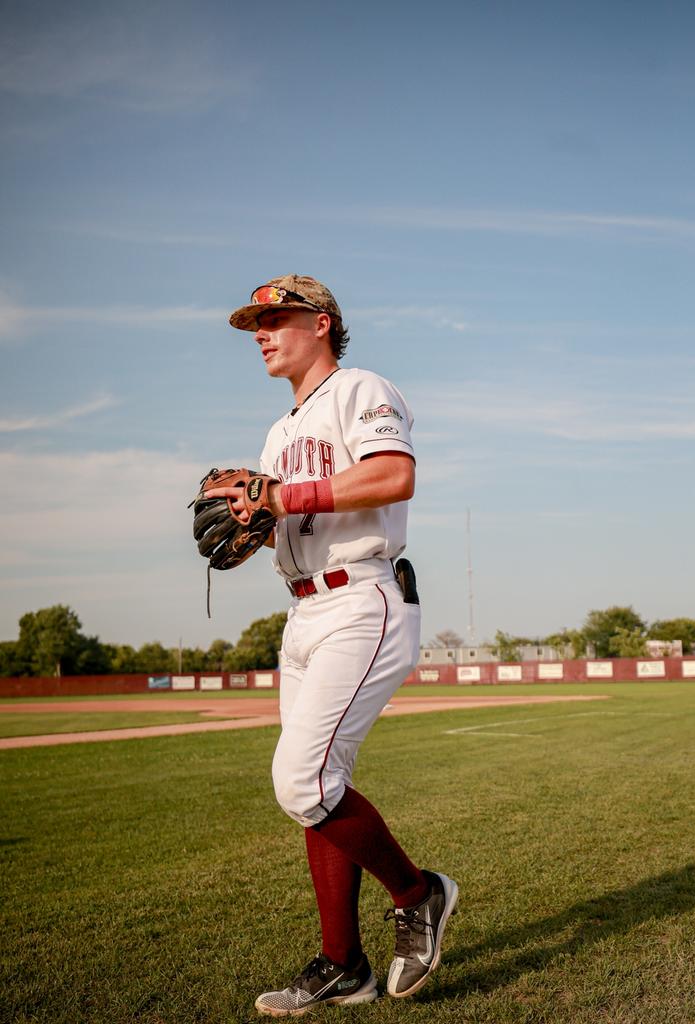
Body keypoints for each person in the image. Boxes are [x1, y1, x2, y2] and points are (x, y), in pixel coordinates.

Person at [208, 275, 458, 1016]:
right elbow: (287, 513)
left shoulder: (359, 389)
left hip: (361, 598)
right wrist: (252, 527)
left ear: (320, 323)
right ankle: (344, 964)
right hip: (304, 610)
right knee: (315, 792)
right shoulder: (280, 432)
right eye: (255, 322)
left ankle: (420, 895)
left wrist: (280, 497)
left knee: (301, 781)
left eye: (274, 318)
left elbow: (393, 473)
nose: (260, 331)